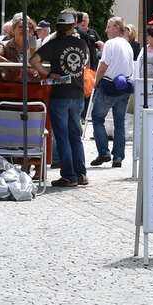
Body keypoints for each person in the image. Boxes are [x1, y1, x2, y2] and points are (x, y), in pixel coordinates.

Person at [39, 10, 93, 188]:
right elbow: (84, 62)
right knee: (75, 136)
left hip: (60, 95)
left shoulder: (54, 44)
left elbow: (33, 59)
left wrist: (49, 73)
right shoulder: (81, 43)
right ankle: (81, 174)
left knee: (62, 137)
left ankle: (69, 176)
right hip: (77, 94)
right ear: (72, 26)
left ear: (57, 27)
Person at [90, 17, 135, 167]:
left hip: (108, 86)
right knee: (119, 123)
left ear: (116, 28)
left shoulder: (110, 44)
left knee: (97, 118)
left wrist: (95, 84)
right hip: (124, 87)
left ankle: (103, 152)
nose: (106, 30)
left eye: (108, 27)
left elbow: (103, 67)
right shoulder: (127, 45)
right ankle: (118, 157)